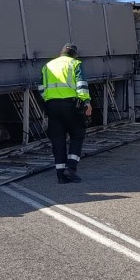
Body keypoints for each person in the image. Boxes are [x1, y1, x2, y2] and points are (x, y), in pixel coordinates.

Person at [39, 43, 92, 183]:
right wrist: (86, 102)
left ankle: (60, 176)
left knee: (58, 140)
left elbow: (41, 88)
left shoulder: (48, 65)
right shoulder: (75, 64)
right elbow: (81, 85)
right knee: (77, 134)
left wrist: (49, 101)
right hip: (70, 105)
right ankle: (71, 169)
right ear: (74, 54)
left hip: (51, 106)